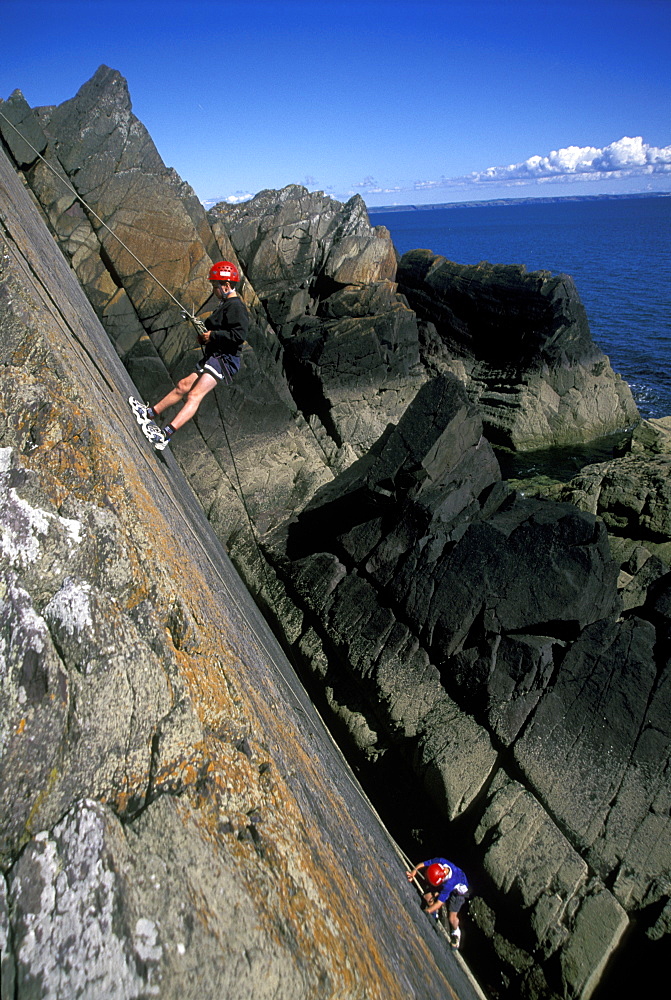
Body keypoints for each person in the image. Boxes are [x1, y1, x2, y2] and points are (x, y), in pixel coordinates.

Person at [129, 260, 248, 449]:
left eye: (215, 286)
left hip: (224, 360)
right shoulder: (226, 304)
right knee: (183, 385)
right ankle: (150, 413)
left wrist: (213, 335)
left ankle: (165, 435)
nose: (213, 289)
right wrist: (207, 338)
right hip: (216, 356)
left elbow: (239, 335)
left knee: (194, 395)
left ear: (226, 286)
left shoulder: (236, 307)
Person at [406, 857, 469, 947]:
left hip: (459, 893)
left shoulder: (449, 884)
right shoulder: (440, 861)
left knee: (451, 918)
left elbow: (439, 903)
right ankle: (434, 915)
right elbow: (423, 864)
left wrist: (426, 912)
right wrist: (413, 872)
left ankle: (456, 933)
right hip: (448, 881)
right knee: (427, 897)